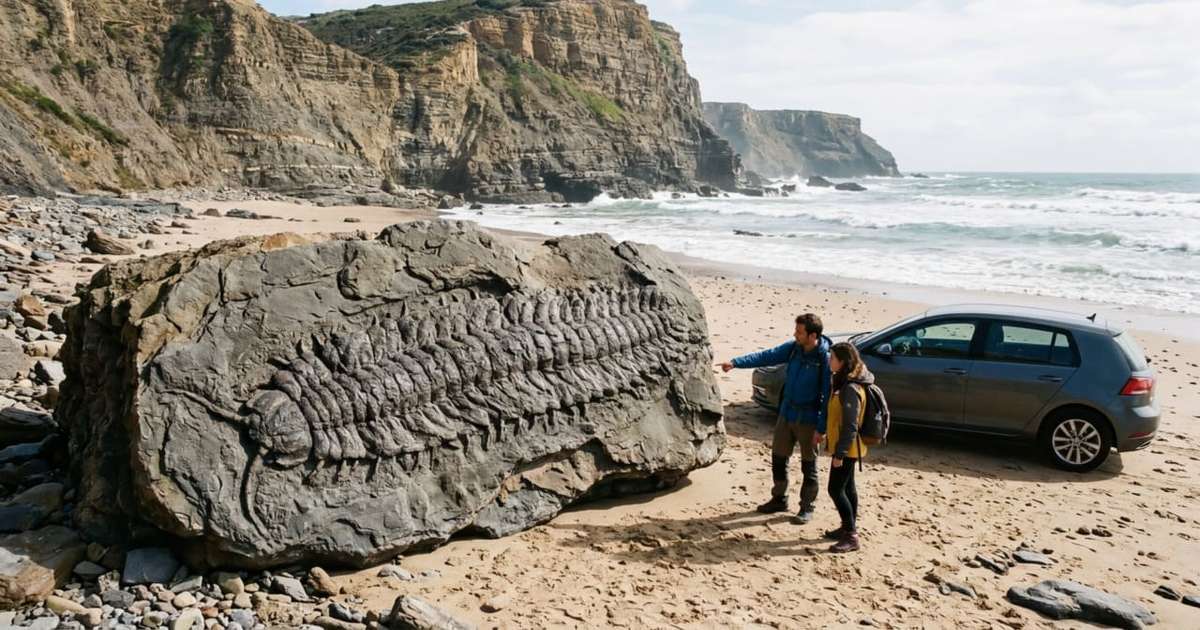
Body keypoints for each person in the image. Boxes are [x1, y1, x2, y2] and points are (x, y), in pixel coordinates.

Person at [719, 313, 831, 524]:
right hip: (786, 414)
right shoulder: (793, 349)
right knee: (779, 459)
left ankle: (807, 507)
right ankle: (779, 498)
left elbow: (827, 396)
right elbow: (767, 355)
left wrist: (821, 427)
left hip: (808, 419)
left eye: (799, 332)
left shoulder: (824, 359)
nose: (794, 334)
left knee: (809, 466)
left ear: (812, 335)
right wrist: (735, 363)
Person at [823, 341, 874, 553]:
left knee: (834, 489)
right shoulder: (845, 382)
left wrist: (839, 453)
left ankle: (851, 536)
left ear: (842, 362)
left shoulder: (850, 389)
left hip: (847, 448)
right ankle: (847, 526)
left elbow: (851, 425)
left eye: (832, 357)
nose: (829, 360)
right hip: (849, 447)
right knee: (848, 487)